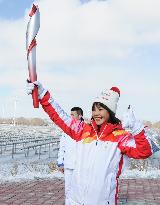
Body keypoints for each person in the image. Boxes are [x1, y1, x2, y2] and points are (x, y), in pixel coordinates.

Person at [27, 82, 154, 205]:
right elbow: (59, 116)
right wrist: (42, 94)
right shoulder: (82, 130)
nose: (96, 113)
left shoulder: (120, 137)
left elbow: (144, 151)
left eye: (100, 109)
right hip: (76, 199)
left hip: (102, 201)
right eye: (94, 109)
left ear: (110, 111)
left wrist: (137, 129)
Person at [57, 107, 84, 205]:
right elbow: (62, 147)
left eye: (73, 114)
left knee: (80, 190)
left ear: (80, 115)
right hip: (68, 165)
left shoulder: (86, 129)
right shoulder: (66, 129)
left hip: (81, 166)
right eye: (70, 114)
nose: (70, 117)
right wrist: (60, 162)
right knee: (68, 190)